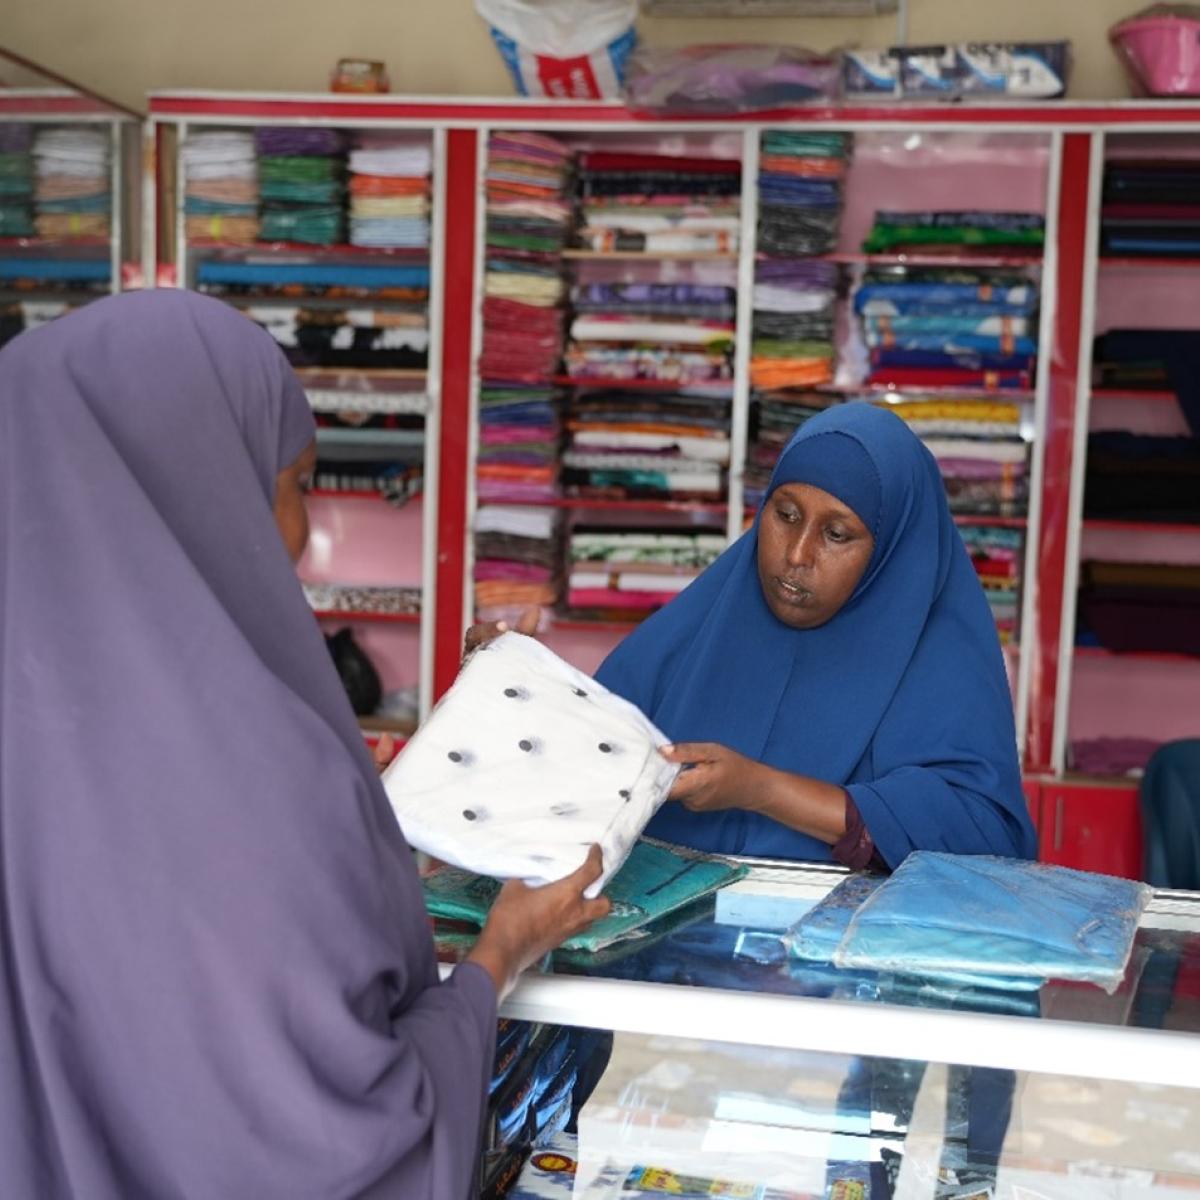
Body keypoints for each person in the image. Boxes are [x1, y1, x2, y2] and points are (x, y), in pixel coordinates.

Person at [0, 289, 608, 1200]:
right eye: (294, 485)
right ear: (203, 482)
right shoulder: (254, 776)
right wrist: (497, 960)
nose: (299, 533)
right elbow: (340, 1140)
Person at [470, 403, 1036, 869]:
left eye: (836, 534)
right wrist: (512, 689)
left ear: (890, 552)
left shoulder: (940, 661)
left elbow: (982, 837)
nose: (796, 555)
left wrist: (761, 790)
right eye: (785, 514)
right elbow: (579, 770)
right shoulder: (698, 630)